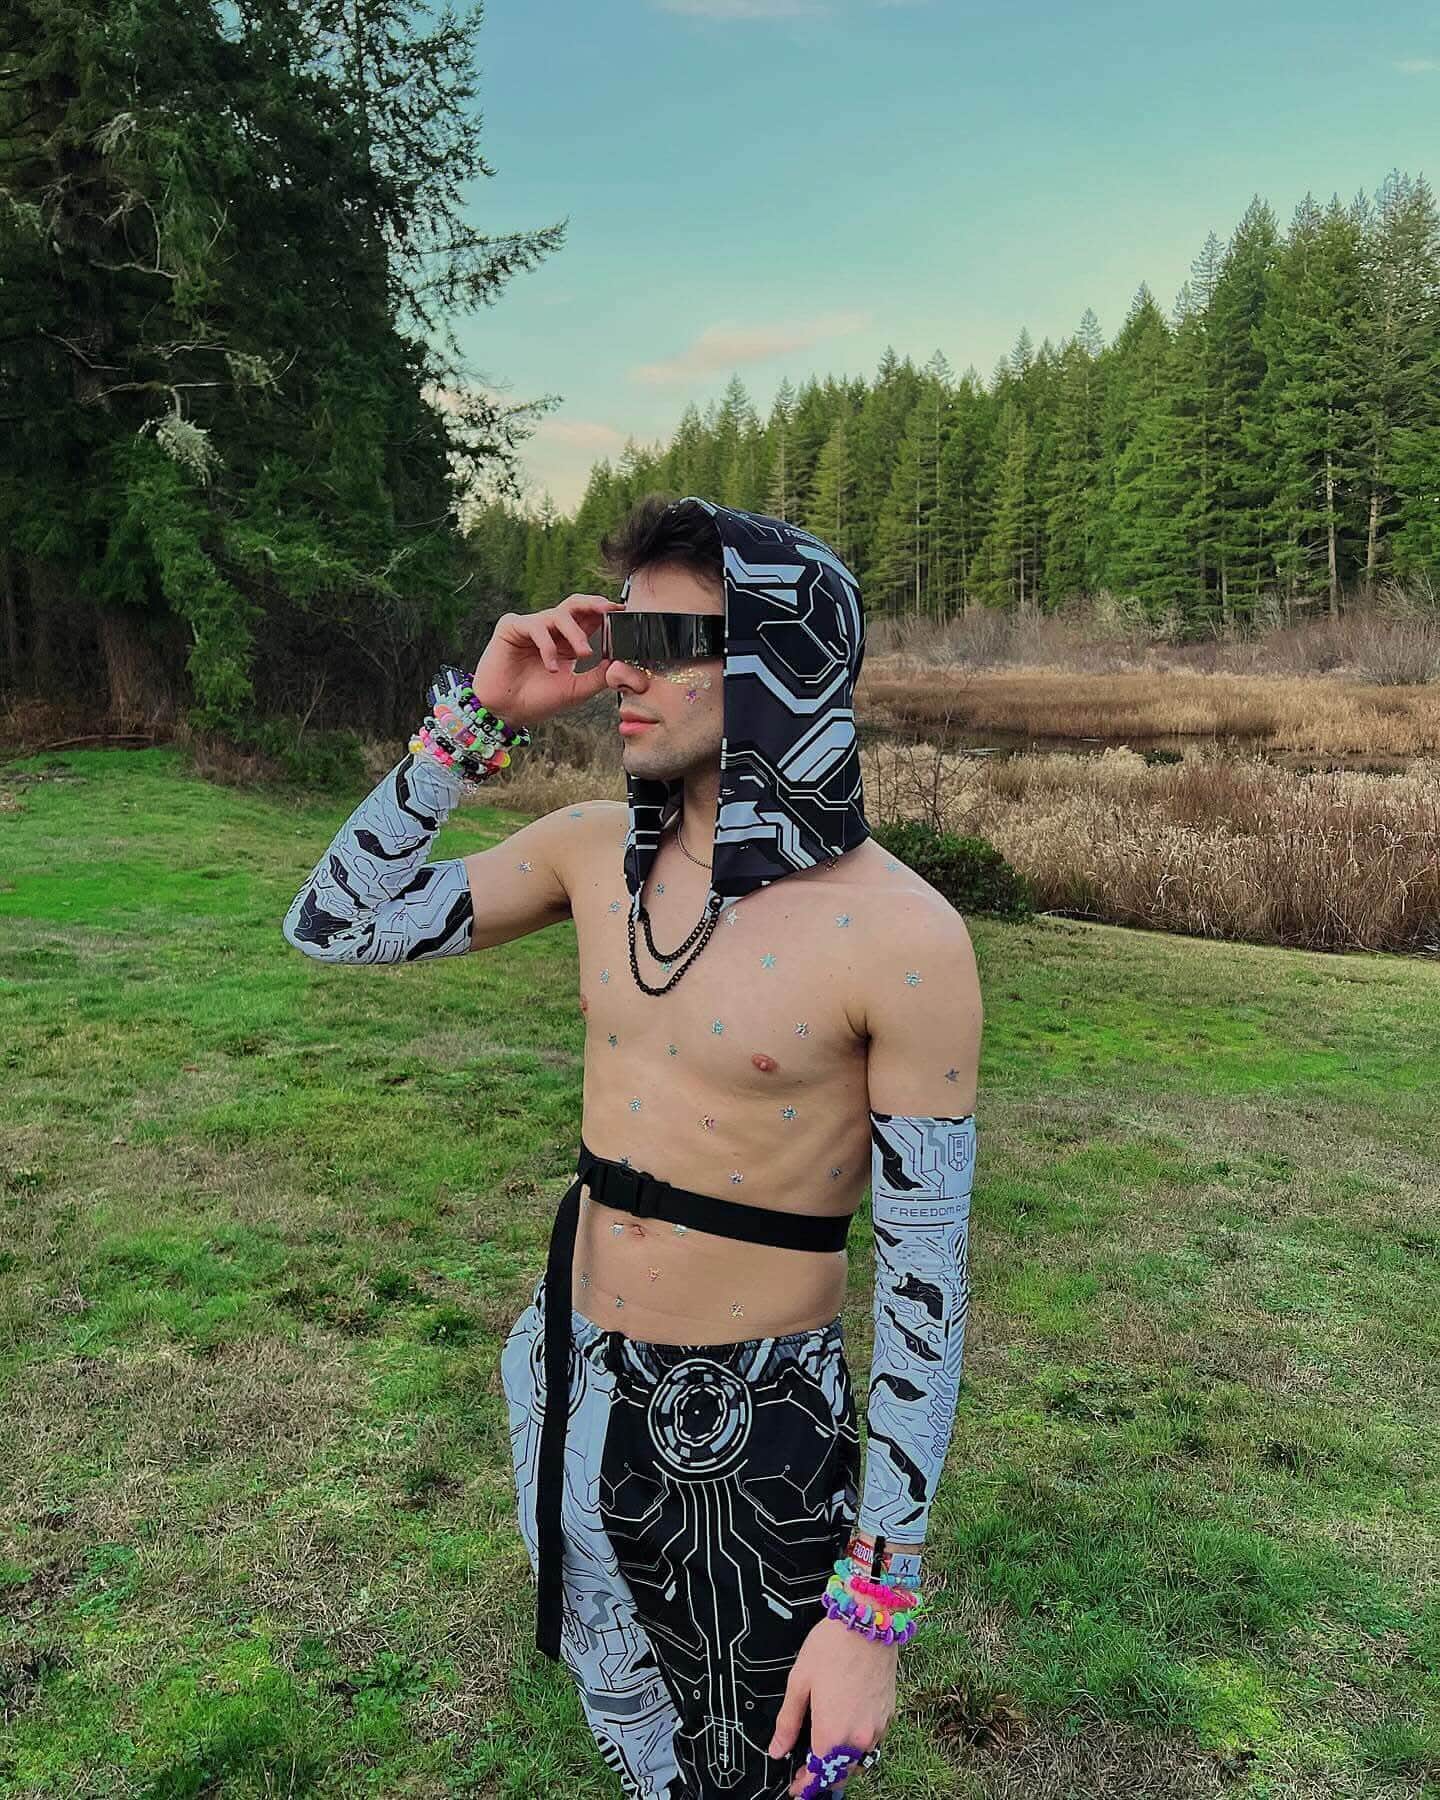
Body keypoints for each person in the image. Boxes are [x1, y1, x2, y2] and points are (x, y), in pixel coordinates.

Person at [281, 495, 982, 1800]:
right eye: (620, 636)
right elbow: (335, 922)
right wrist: (475, 717)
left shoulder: (907, 939)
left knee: (756, 1774)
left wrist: (874, 1609)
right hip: (566, 1370)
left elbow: (927, 1286)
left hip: (756, 1425)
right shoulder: (591, 852)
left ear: (781, 661)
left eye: (667, 642)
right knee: (631, 1723)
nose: (621, 673)